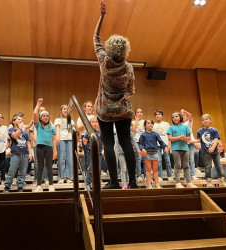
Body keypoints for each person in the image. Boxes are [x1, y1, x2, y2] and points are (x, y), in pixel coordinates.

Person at [93, 0, 137, 189]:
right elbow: (130, 91)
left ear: (110, 48)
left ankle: (114, 182)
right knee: (126, 142)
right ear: (125, 49)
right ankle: (133, 182)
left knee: (108, 144)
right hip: (123, 110)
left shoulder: (104, 61)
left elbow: (95, 37)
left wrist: (102, 15)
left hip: (104, 111)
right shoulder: (128, 67)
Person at [196, 114, 226, 187]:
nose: (205, 121)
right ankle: (209, 181)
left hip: (215, 151)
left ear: (210, 120)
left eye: (206, 119)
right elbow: (198, 140)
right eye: (203, 120)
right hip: (205, 152)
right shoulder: (200, 131)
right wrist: (189, 141)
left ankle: (222, 180)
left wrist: (213, 147)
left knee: (218, 166)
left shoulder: (214, 130)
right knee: (208, 166)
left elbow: (216, 140)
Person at [167, 112, 197, 188]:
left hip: (185, 148)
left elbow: (189, 138)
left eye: (176, 116)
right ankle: (178, 183)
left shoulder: (185, 127)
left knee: (186, 166)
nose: (174, 118)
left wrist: (184, 138)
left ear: (180, 117)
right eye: (173, 117)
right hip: (175, 149)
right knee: (177, 165)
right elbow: (170, 138)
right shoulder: (171, 127)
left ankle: (189, 182)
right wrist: (179, 137)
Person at [33, 98, 57, 192]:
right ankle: (39, 185)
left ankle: (51, 185)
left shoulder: (52, 127)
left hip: (49, 148)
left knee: (49, 166)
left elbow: (54, 140)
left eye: (47, 116)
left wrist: (55, 151)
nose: (46, 117)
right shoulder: (38, 125)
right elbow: (34, 113)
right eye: (44, 116)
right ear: (40, 117)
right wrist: (38, 105)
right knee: (40, 166)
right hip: (39, 147)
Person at [3, 114, 32, 192]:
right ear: (13, 121)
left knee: (23, 171)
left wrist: (30, 153)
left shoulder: (25, 132)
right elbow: (15, 136)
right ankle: (7, 186)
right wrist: (20, 128)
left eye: (21, 119)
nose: (20, 120)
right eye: (18, 119)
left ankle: (20, 186)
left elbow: (28, 143)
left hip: (25, 154)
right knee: (12, 170)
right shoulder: (11, 129)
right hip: (16, 153)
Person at [139, 120, 168, 189]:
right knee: (148, 169)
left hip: (155, 152)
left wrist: (165, 147)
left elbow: (161, 141)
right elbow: (140, 144)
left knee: (155, 169)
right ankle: (149, 184)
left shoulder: (155, 134)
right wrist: (142, 149)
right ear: (145, 125)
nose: (150, 124)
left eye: (152, 123)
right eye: (148, 123)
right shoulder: (143, 134)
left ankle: (157, 184)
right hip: (147, 152)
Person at [83, 116, 105, 189]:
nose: (95, 123)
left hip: (99, 152)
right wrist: (86, 144)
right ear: (89, 124)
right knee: (90, 168)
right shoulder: (88, 133)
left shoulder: (100, 132)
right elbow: (84, 141)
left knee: (98, 168)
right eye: (93, 122)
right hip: (91, 153)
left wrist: (103, 151)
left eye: (96, 122)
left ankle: (97, 183)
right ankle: (88, 183)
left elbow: (102, 143)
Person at [55, 105, 74, 184]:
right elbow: (57, 130)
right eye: (64, 109)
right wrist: (57, 138)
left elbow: (73, 131)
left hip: (70, 140)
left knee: (69, 159)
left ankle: (69, 176)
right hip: (61, 140)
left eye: (67, 109)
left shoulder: (71, 121)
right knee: (62, 158)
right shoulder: (58, 120)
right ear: (61, 110)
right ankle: (62, 177)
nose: (66, 110)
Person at [153, 110, 173, 181]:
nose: (158, 115)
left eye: (159, 114)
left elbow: (169, 134)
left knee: (167, 160)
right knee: (158, 161)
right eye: (156, 114)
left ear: (162, 116)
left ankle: (170, 175)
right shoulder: (154, 125)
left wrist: (169, 144)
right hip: (157, 145)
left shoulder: (166, 124)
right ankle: (160, 176)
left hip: (165, 144)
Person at [181, 109, 198, 180]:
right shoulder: (179, 125)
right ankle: (186, 175)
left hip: (190, 144)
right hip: (183, 144)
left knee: (191, 159)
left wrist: (185, 111)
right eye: (182, 116)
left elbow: (190, 116)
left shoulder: (188, 123)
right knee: (185, 161)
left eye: (185, 116)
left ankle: (193, 174)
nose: (183, 116)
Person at [132, 108, 145, 182]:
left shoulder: (144, 122)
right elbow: (133, 131)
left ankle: (146, 175)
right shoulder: (133, 122)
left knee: (145, 159)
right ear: (135, 114)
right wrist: (136, 120)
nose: (139, 113)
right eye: (137, 112)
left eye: (141, 112)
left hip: (144, 142)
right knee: (138, 159)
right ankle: (139, 175)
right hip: (136, 141)